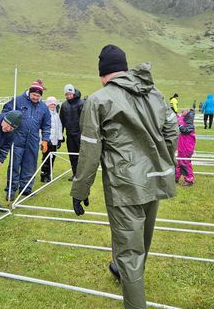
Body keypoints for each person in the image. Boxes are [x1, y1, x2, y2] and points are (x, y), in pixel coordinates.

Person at [70, 45, 178, 309]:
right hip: (155, 179)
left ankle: (131, 289)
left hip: (125, 186)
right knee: (142, 242)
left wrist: (79, 191)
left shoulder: (98, 100)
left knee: (130, 252)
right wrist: (165, 165)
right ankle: (124, 272)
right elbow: (172, 132)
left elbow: (89, 150)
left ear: (103, 73)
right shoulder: (155, 94)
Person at [2, 79, 51, 200]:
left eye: (38, 96)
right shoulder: (17, 101)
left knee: (30, 165)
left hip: (33, 140)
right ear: (30, 92)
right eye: (34, 95)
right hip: (17, 138)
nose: (35, 97)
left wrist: (45, 139)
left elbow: (47, 125)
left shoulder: (44, 108)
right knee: (14, 165)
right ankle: (11, 191)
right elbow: (5, 112)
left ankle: (26, 189)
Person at [59, 84, 84, 181]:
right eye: (67, 94)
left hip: (80, 134)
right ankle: (75, 174)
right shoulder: (64, 105)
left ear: (73, 93)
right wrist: (60, 135)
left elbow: (84, 120)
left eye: (70, 94)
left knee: (82, 156)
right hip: (69, 135)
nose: (68, 96)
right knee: (72, 155)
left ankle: (82, 175)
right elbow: (61, 121)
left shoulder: (81, 103)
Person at [41, 96, 64, 183]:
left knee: (52, 158)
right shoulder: (45, 114)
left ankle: (48, 174)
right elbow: (41, 129)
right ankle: (44, 175)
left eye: (54, 104)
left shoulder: (56, 115)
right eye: (51, 104)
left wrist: (59, 139)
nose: (53, 106)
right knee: (46, 158)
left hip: (54, 141)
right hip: (47, 141)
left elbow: (59, 127)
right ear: (47, 105)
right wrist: (44, 140)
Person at [175, 107, 196, 186]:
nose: (181, 111)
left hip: (186, 147)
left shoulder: (188, 123)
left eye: (183, 111)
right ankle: (176, 177)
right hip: (182, 146)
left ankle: (189, 179)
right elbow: (178, 118)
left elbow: (186, 130)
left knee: (185, 163)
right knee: (179, 162)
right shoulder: (183, 119)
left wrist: (180, 126)